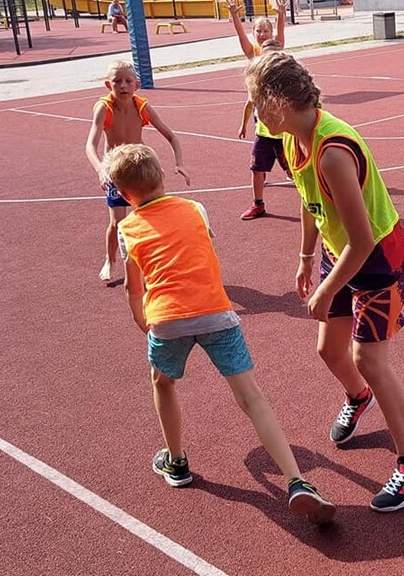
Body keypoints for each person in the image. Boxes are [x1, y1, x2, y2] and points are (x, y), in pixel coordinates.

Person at [245, 51, 404, 511]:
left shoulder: (332, 151)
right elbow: (311, 203)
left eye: (255, 103)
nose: (254, 113)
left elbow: (364, 239)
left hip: (376, 262)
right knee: (329, 351)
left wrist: (328, 287)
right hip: (339, 254)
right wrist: (306, 257)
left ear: (276, 103)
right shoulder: (293, 140)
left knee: (368, 358)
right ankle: (358, 396)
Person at [107, 143, 336, 525]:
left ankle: (176, 461)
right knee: (251, 397)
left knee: (163, 383)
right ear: (161, 177)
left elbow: (135, 288)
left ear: (124, 194)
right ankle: (296, 480)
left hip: (168, 318)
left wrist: (143, 321)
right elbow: (201, 247)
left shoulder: (127, 230)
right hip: (216, 311)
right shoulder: (195, 208)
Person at [85, 60, 190, 282]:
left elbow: (171, 136)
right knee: (117, 222)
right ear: (108, 85)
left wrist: (179, 163)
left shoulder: (142, 107)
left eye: (128, 81)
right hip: (116, 171)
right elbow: (90, 146)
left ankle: (160, 258)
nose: (123, 85)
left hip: (140, 170)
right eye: (117, 81)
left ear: (136, 85)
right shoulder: (104, 108)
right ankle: (110, 259)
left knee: (153, 216)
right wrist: (101, 170)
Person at [228, 0, 289, 220]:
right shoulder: (253, 55)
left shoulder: (277, 55)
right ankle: (258, 203)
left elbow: (280, 35)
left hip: (283, 129)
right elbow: (241, 37)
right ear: (254, 34)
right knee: (256, 168)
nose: (262, 34)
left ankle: (312, 196)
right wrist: (235, 16)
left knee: (295, 169)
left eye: (266, 30)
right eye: (258, 31)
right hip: (263, 127)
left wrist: (281, 14)